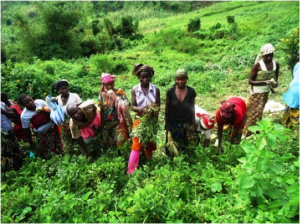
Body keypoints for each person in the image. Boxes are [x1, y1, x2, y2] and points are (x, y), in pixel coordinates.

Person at [127, 64, 160, 174]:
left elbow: (158, 105)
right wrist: (142, 109)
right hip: (139, 121)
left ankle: (148, 162)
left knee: (149, 143)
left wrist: (153, 109)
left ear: (151, 77)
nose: (144, 79)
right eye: (142, 77)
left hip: (151, 121)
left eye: (147, 77)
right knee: (136, 145)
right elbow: (133, 106)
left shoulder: (156, 90)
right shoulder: (135, 90)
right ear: (138, 77)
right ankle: (131, 170)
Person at [242, 43, 279, 137]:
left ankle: (256, 132)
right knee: (253, 114)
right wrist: (264, 82)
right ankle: (246, 134)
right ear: (263, 55)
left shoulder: (276, 65)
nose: (269, 57)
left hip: (265, 93)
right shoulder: (258, 65)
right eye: (267, 55)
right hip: (255, 92)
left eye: (271, 54)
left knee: (259, 113)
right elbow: (250, 81)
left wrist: (274, 85)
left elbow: (276, 80)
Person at [165, 69, 196, 153]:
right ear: (175, 80)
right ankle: (171, 161)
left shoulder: (191, 91)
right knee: (171, 145)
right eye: (178, 79)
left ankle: (183, 160)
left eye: (183, 79)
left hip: (186, 123)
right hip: (173, 123)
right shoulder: (170, 92)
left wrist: (192, 124)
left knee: (184, 145)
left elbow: (193, 108)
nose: (180, 81)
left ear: (186, 79)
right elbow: (167, 109)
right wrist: (166, 124)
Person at [98, 73, 132, 148]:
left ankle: (121, 154)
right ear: (103, 85)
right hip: (108, 122)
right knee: (109, 142)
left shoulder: (119, 92)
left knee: (120, 141)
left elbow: (128, 104)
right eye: (107, 85)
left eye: (111, 84)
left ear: (114, 83)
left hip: (119, 121)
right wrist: (102, 125)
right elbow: (101, 111)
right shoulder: (101, 95)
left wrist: (119, 102)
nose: (109, 86)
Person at [0, 101, 22, 171]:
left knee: (14, 148)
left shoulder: (1, 104)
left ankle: (20, 165)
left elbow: (13, 114)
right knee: (4, 153)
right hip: (1, 136)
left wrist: (2, 111)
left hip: (9, 131)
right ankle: (10, 170)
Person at [282, 50, 300, 128]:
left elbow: (295, 76)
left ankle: (290, 124)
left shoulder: (297, 65)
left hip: (294, 89)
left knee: (293, 106)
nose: (298, 57)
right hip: (296, 89)